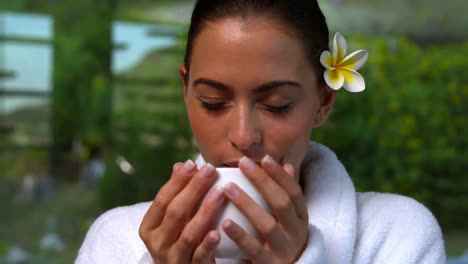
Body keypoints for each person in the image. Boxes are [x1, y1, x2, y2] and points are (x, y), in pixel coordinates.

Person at [76, 0, 446, 263]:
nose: (243, 135)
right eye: (212, 102)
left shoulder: (394, 237)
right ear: (185, 92)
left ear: (324, 101)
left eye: (277, 104)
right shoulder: (117, 242)